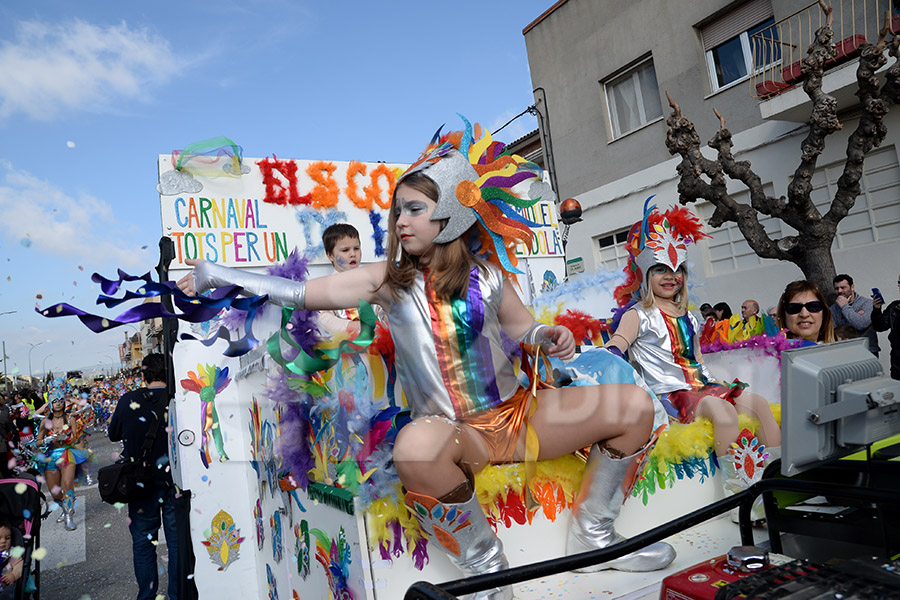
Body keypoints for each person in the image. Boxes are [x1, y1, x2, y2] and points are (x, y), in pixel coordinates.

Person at [178, 123, 675, 598]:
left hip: (521, 418)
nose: (400, 221)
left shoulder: (489, 276)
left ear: (452, 215)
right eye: (397, 212)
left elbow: (524, 329)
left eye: (413, 209)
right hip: (455, 432)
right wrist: (216, 273)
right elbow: (301, 292)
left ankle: (594, 534)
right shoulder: (387, 281)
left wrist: (552, 335)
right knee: (414, 447)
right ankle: (487, 576)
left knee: (633, 405)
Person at [606, 203, 780, 522]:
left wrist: (717, 385)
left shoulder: (691, 316)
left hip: (701, 387)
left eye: (677, 270)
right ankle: (738, 500)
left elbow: (697, 359)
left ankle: (777, 484)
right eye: (660, 269)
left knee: (761, 404)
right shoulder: (638, 315)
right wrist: (606, 356)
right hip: (670, 395)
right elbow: (617, 345)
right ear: (645, 275)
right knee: (723, 412)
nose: (670, 277)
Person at [108, 354, 179, 600]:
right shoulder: (177, 397)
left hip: (140, 483)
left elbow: (113, 433)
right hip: (175, 481)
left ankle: (147, 596)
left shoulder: (129, 400)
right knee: (177, 543)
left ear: (143, 376)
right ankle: (178, 594)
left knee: (143, 544)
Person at [36, 395, 88, 530]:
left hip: (67, 454)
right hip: (51, 456)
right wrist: (47, 440)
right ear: (50, 404)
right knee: (54, 491)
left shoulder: (70, 418)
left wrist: (68, 437)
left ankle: (69, 516)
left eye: (60, 401)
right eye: (54, 401)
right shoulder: (45, 422)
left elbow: (76, 439)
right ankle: (65, 510)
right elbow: (38, 442)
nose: (58, 404)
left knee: (67, 485)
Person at [319, 223, 367, 336]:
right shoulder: (326, 286)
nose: (353, 254)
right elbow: (323, 317)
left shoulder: (371, 281)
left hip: (375, 344)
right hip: (344, 345)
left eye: (356, 248)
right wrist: (350, 326)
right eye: (345, 250)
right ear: (330, 255)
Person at [831, 274, 878, 355]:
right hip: (843, 352)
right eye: (836, 288)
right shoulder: (833, 309)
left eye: (843, 287)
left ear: (852, 287)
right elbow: (833, 334)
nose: (839, 291)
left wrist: (845, 307)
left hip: (867, 351)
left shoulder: (868, 303)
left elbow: (861, 324)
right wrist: (855, 317)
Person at [872, 276, 899, 379]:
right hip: (897, 363)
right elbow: (880, 326)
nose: (899, 285)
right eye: (899, 282)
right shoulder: (895, 307)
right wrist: (877, 309)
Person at [0, 522, 23, 600]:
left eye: (7, 538)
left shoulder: (13, 554)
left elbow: (20, 565)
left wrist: (14, 575)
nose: (3, 541)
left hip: (5, 587)